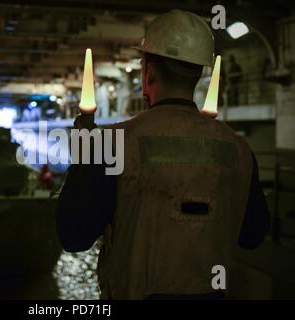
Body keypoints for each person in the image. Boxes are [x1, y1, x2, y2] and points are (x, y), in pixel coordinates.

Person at [56, 10, 270, 299]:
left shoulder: (112, 143)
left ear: (149, 71)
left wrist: (84, 154)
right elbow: (252, 235)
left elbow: (74, 235)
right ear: (198, 72)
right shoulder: (239, 150)